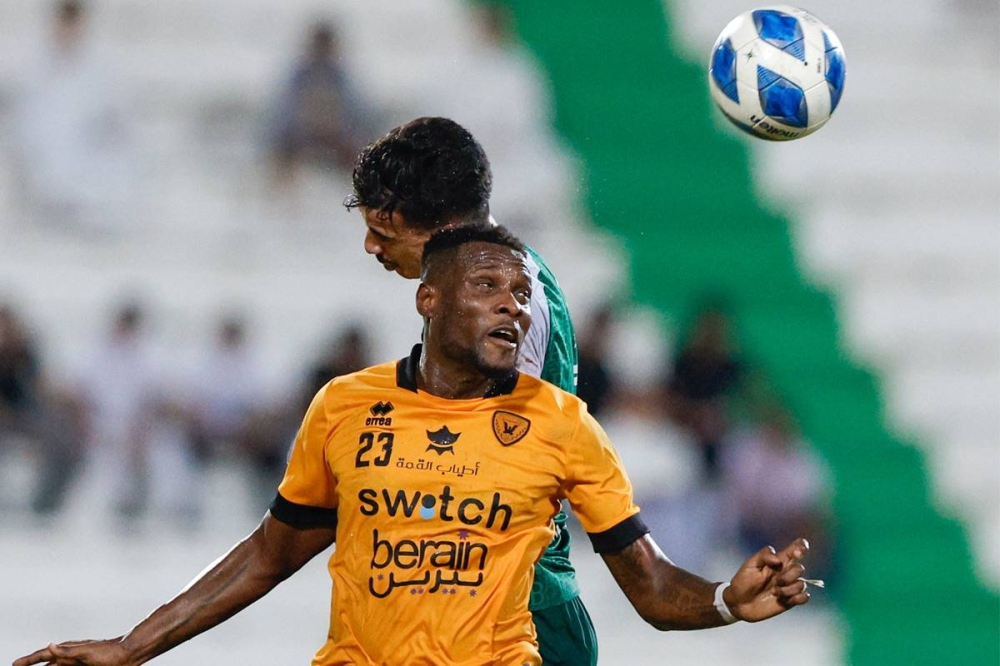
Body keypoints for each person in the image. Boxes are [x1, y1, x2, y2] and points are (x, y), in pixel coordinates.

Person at [14, 225, 813, 666]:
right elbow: (267, 555)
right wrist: (133, 647)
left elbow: (650, 583)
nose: (513, 306)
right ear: (429, 299)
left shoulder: (562, 424)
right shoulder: (345, 406)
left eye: (522, 294)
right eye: (488, 287)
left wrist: (725, 601)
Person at [343, 116, 587, 664]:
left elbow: (497, 475)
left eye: (385, 232)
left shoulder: (505, 311)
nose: (370, 246)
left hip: (510, 614)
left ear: (444, 228)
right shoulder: (502, 285)